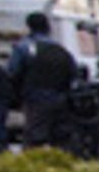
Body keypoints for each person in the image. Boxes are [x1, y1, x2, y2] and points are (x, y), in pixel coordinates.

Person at [6, 11, 76, 150]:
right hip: (61, 99)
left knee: (34, 141)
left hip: (35, 100)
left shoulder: (25, 47)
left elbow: (13, 72)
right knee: (61, 140)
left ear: (29, 27)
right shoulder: (60, 49)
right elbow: (72, 72)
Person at [68, 64, 99, 159]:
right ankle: (93, 153)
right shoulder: (93, 85)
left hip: (78, 117)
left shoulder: (72, 87)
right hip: (92, 117)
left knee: (79, 138)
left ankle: (83, 153)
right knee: (95, 138)